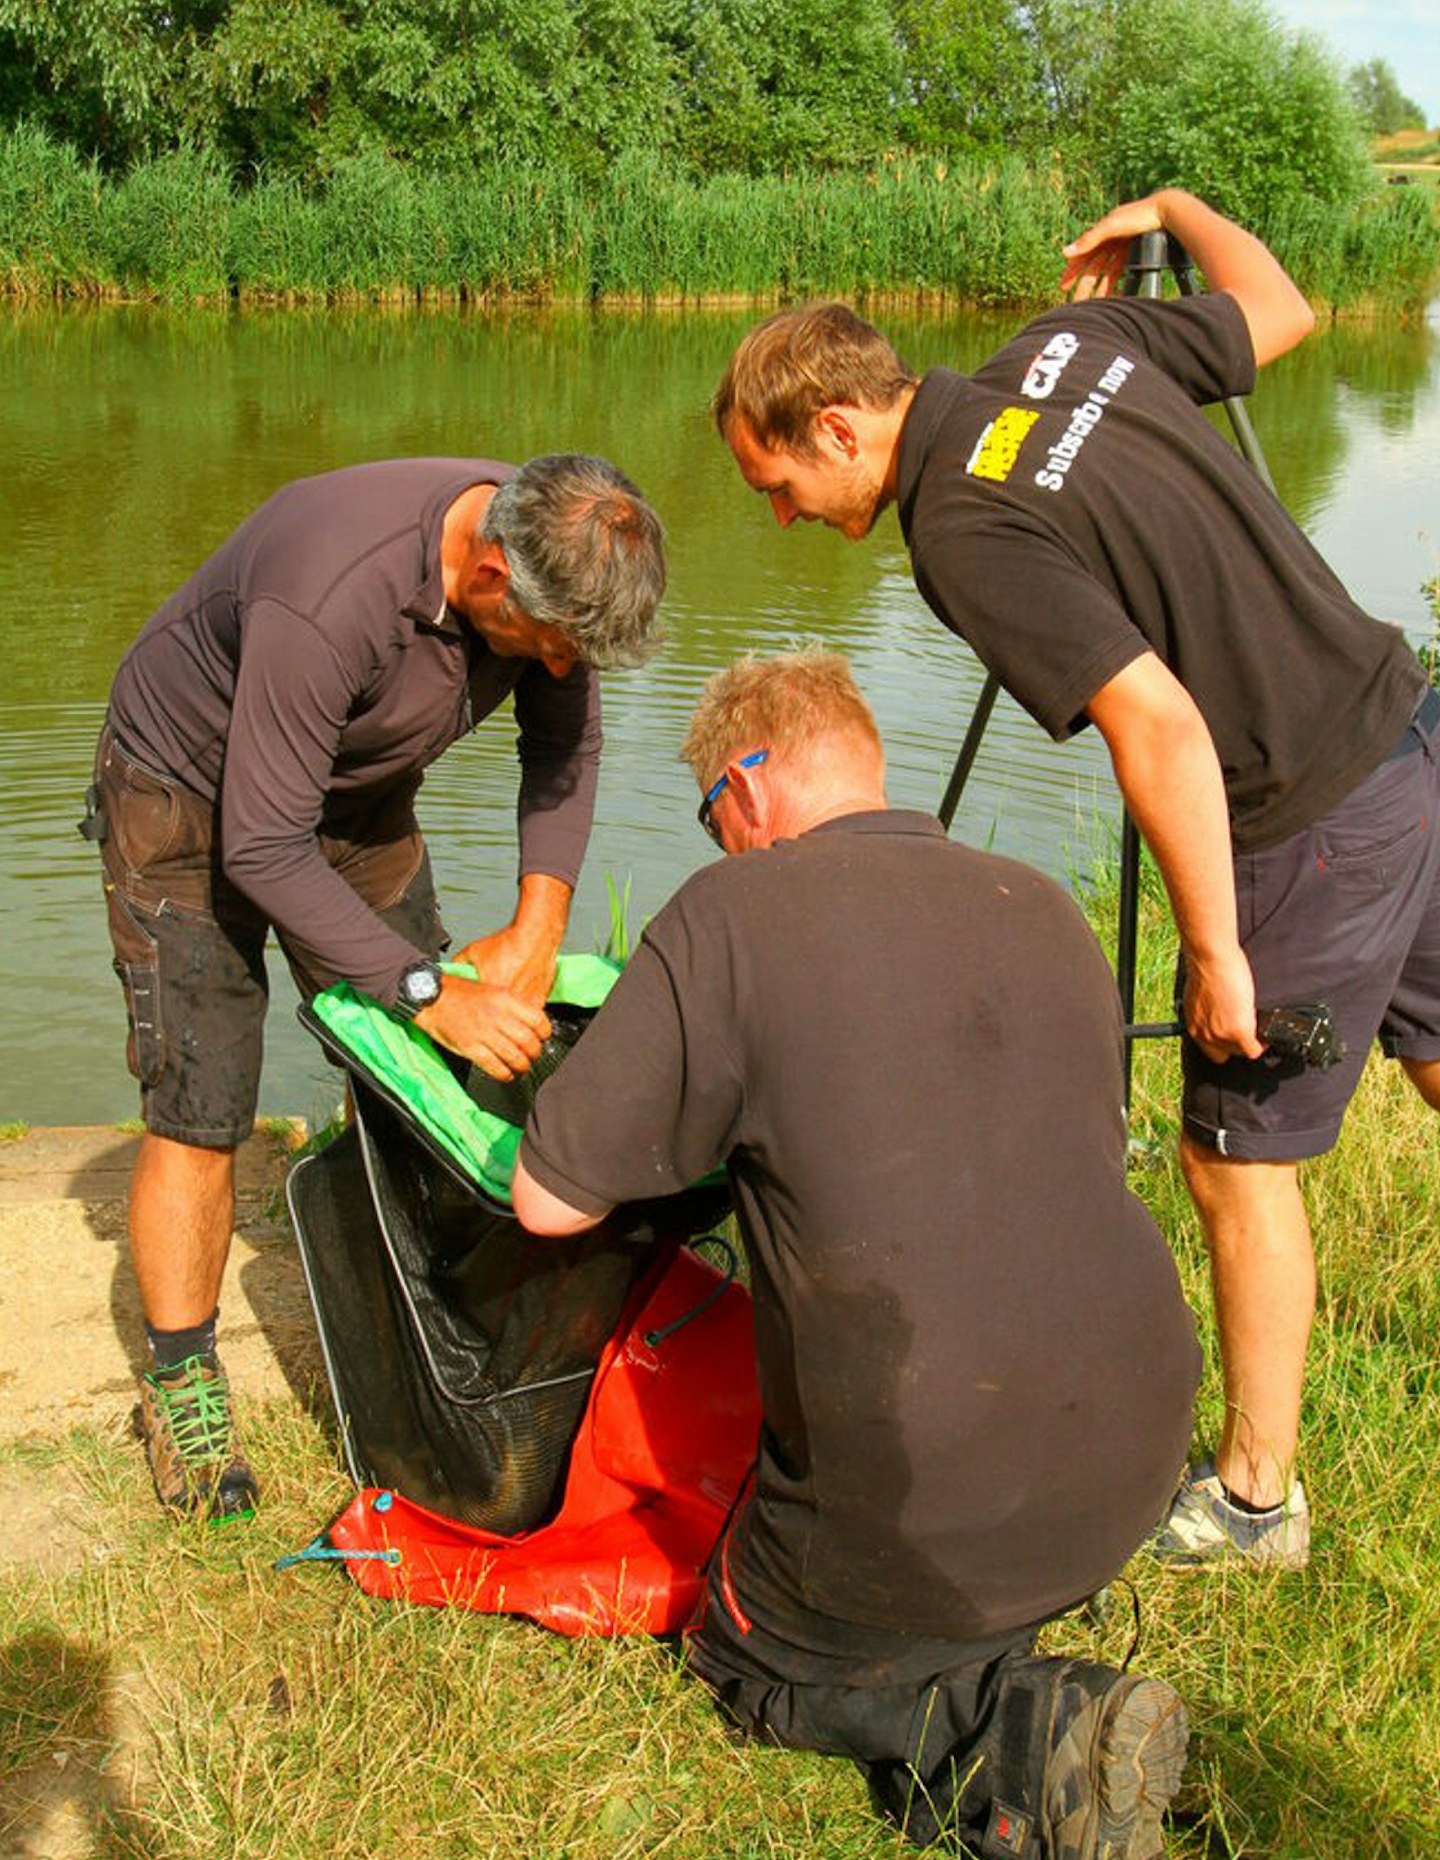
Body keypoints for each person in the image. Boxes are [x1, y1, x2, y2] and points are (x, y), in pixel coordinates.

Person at [709, 188, 1440, 1569]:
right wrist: (1180, 207)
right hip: (1406, 726)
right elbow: (1284, 309)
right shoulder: (1067, 348)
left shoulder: (961, 527)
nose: (789, 517)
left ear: (842, 429)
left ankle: (1255, 1499)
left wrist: (1219, 945)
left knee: (1234, 1156)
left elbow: (1157, 721)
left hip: (1304, 803)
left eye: (780, 486)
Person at [513, 650, 1200, 1859]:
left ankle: (1006, 1737)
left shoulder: (735, 910)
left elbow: (547, 1203)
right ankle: (1010, 1657)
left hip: (926, 1504)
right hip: (1135, 1464)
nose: (719, 839)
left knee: (742, 1653)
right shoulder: (1037, 900)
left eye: (711, 811)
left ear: (752, 781)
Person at [87, 451, 665, 1521]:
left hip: (350, 800)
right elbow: (260, 845)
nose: (558, 666)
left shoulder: (558, 559)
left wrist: (537, 932)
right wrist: (426, 986)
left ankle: (421, 1318)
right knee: (203, 1101)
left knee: (420, 1069)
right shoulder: (332, 593)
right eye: (550, 646)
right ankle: (180, 1382)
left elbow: (563, 751)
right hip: (186, 803)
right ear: (491, 575)